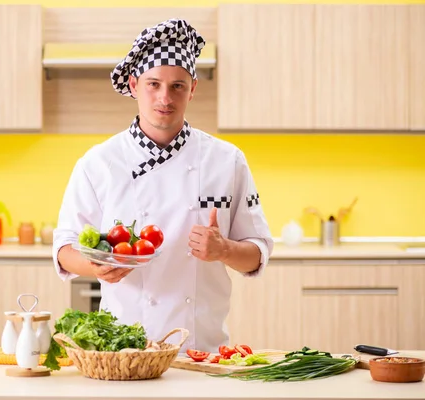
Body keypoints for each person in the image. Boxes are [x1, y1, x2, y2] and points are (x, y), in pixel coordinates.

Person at [52, 18, 273, 352]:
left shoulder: (227, 160)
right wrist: (97, 266)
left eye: (178, 86)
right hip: (124, 350)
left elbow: (258, 252)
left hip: (202, 351)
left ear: (193, 88)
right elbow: (64, 249)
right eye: (154, 84)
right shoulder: (99, 163)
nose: (165, 97)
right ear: (134, 85)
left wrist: (224, 249)